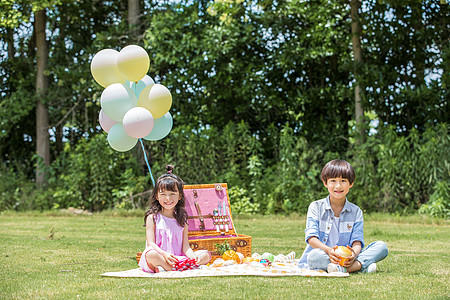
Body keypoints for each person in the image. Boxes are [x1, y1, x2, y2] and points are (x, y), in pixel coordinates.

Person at [298, 159, 388, 273]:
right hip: (324, 255)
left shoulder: (356, 212)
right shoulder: (315, 207)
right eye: (333, 181)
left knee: (381, 246)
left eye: (343, 181)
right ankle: (358, 267)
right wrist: (329, 251)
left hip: (347, 257)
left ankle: (343, 268)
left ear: (351, 183)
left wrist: (354, 255)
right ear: (325, 183)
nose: (338, 186)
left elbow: (357, 241)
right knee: (314, 256)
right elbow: (311, 238)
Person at [138, 165, 211, 273]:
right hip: (161, 256)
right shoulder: (153, 218)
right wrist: (165, 255)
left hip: (177, 258)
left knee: (205, 254)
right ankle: (187, 267)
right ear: (157, 196)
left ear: (180, 196)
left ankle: (171, 268)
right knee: (151, 254)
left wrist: (192, 257)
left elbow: (185, 246)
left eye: (172, 194)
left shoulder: (182, 219)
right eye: (163, 194)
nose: (168, 198)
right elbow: (151, 244)